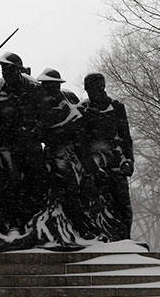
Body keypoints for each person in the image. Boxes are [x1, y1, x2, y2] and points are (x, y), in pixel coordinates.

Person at [34, 68, 96, 239]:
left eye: (56, 85)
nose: (54, 88)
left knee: (86, 181)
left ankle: (87, 222)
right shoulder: (40, 105)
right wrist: (62, 129)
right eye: (50, 85)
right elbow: (40, 133)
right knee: (70, 185)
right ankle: (79, 225)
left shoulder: (64, 101)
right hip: (55, 152)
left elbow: (78, 129)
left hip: (72, 151)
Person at [0, 52, 46, 228]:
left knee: (36, 179)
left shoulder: (33, 88)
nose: (6, 73)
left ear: (18, 70)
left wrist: (33, 131)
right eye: (3, 69)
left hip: (28, 143)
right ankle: (10, 220)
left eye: (10, 69)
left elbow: (44, 116)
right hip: (5, 143)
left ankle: (32, 219)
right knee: (9, 179)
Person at [77, 72, 135, 241]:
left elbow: (125, 138)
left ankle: (125, 240)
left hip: (115, 162)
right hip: (93, 164)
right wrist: (93, 168)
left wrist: (128, 161)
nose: (90, 93)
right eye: (87, 89)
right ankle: (98, 236)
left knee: (123, 204)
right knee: (90, 202)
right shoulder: (82, 110)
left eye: (93, 89)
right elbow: (80, 144)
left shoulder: (117, 107)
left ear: (101, 88)